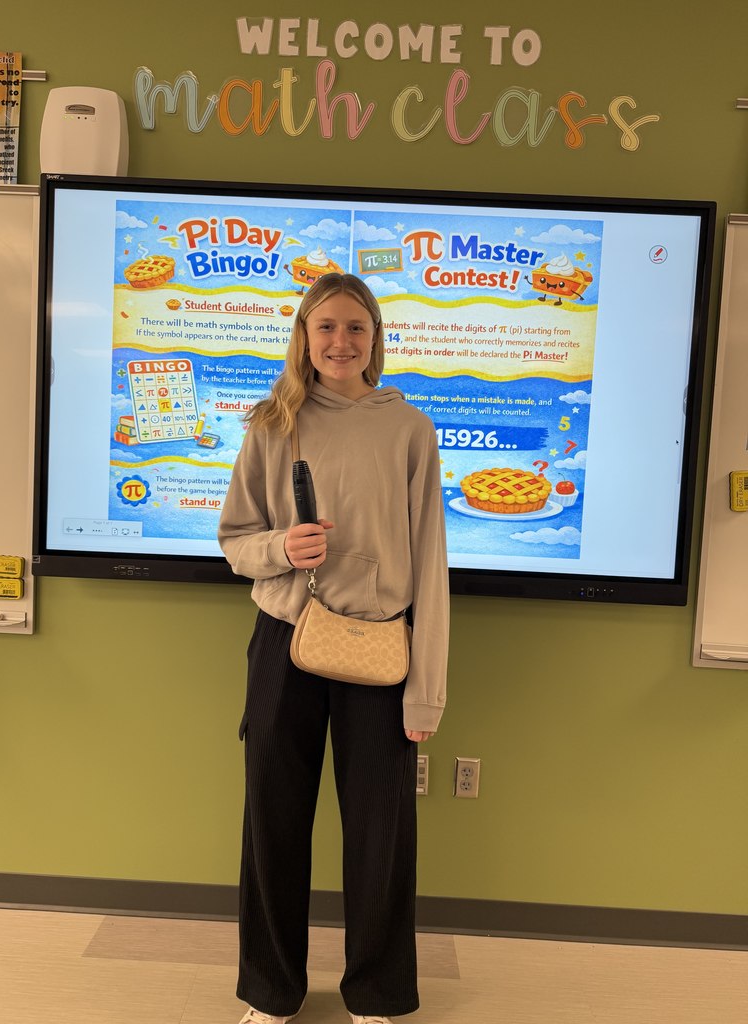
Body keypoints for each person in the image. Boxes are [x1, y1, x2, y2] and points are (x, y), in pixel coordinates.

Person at [218, 272, 449, 1024]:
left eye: (356, 328)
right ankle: (272, 992)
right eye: (326, 328)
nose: (341, 342)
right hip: (286, 642)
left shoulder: (409, 429)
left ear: (376, 337)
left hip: (381, 650)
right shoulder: (271, 422)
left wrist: (427, 690)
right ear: (304, 337)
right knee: (272, 822)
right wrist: (283, 546)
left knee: (382, 834)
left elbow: (431, 568)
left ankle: (377, 995)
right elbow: (234, 543)